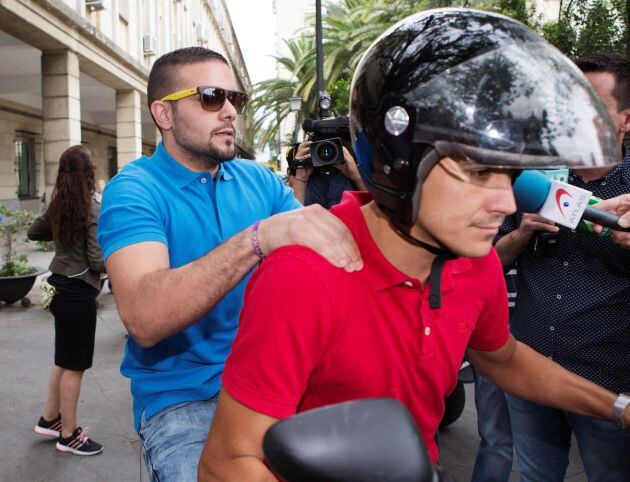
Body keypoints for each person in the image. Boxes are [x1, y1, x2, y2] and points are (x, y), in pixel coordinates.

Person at [198, 10, 629, 481]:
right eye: (480, 173)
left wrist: (618, 406)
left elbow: (500, 355)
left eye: (509, 175)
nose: (505, 201)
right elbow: (227, 464)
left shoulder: (474, 259)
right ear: (401, 165)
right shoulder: (304, 276)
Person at [97, 47, 361, 481]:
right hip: (183, 399)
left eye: (234, 100)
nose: (228, 112)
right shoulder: (134, 190)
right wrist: (257, 239)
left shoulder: (257, 178)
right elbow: (144, 317)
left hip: (273, 378)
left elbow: (320, 253)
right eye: (210, 97)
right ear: (164, 114)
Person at [494, 52, 630, 482]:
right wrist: (519, 235)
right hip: (529, 370)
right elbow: (488, 261)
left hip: (607, 382)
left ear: (625, 120)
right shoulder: (533, 183)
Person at [29, 145, 106, 456]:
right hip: (78, 293)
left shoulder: (59, 203)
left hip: (58, 287)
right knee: (75, 365)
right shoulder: (92, 207)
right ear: (90, 173)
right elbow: (97, 260)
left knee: (63, 358)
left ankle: (49, 419)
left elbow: (35, 232)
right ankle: (69, 435)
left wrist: (62, 235)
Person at [287, 139, 366, 207]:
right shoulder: (307, 181)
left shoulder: (349, 176)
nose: (326, 153)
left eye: (334, 146)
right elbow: (296, 220)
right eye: (319, 148)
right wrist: (300, 178)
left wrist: (357, 177)